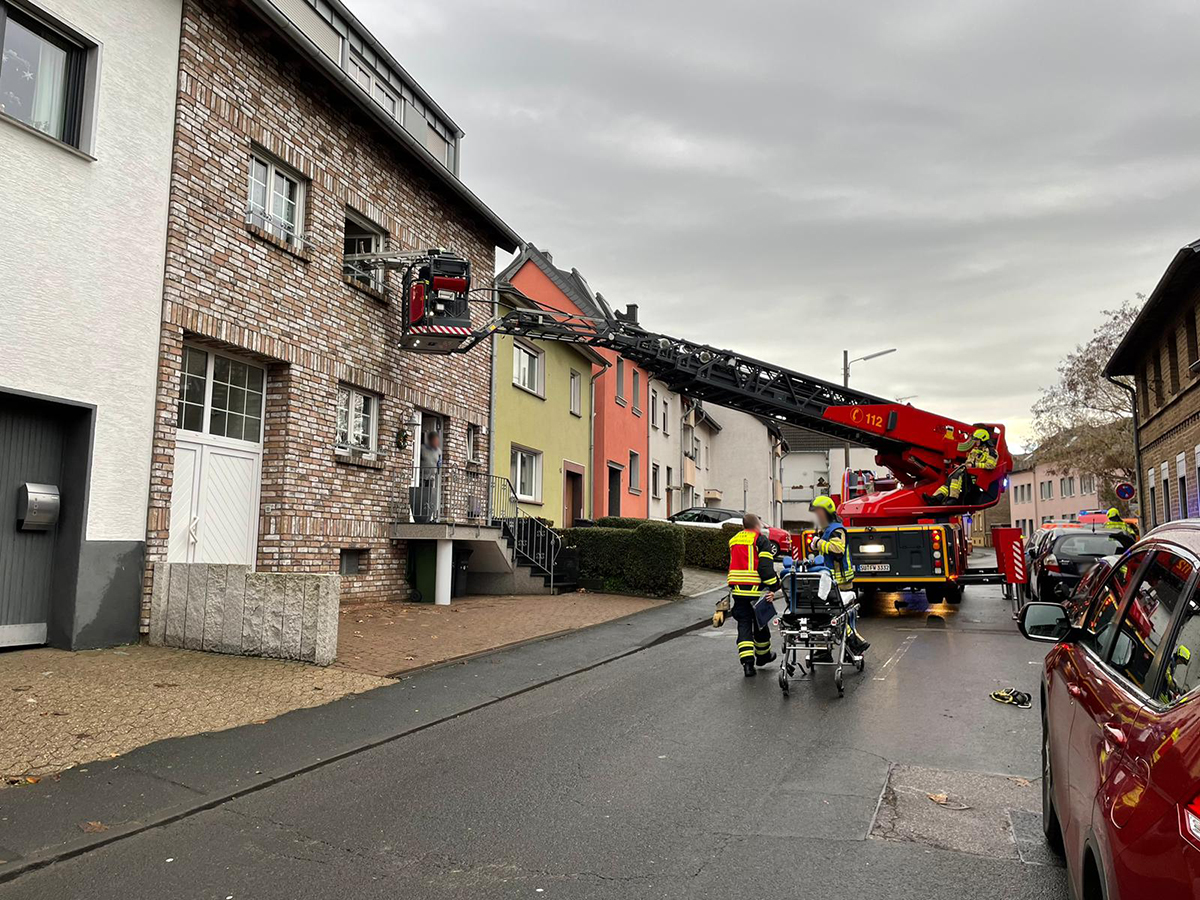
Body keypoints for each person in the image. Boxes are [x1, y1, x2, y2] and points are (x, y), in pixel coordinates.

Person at [808, 496, 870, 654]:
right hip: (831, 579)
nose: (816, 516)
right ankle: (826, 650)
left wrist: (818, 543)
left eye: (818, 513)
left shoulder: (836, 529)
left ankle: (855, 643)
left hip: (840, 580)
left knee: (836, 614)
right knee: (826, 614)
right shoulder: (828, 529)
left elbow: (838, 549)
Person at [722, 513, 779, 677]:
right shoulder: (760, 540)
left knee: (744, 626)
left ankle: (748, 665)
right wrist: (774, 587)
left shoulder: (734, 540)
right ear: (757, 525)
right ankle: (763, 656)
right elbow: (765, 568)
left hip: (738, 591)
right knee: (760, 624)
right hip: (756, 591)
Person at [928, 427, 998, 505]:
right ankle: (936, 498)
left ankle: (953, 499)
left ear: (983, 439)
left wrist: (974, 465)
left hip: (977, 477)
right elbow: (968, 462)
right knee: (950, 478)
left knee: (957, 476)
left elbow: (990, 465)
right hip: (969, 473)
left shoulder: (991, 452)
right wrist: (959, 466)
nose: (976, 442)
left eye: (977, 440)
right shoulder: (974, 450)